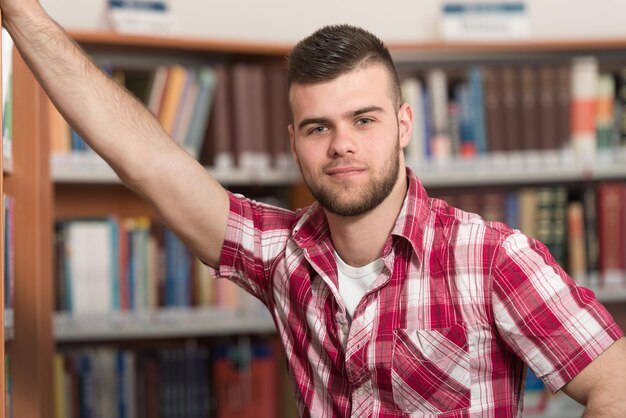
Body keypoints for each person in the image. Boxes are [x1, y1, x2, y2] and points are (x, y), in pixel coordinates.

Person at [3, 1, 626, 417]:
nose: (342, 144)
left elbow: (615, 386)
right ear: (294, 142)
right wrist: (23, 13)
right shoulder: (281, 257)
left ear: (404, 125)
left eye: (364, 119)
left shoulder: (492, 257)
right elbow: (147, 161)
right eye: (317, 127)